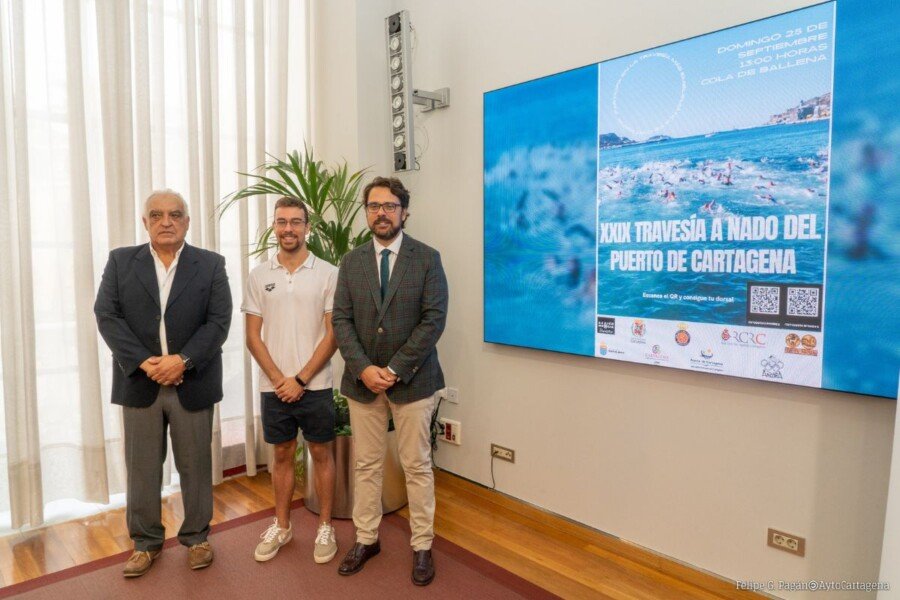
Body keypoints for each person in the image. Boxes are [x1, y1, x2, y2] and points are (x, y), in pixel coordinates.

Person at [94, 190, 232, 577]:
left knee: (195, 466)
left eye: (175, 214)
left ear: (187, 221)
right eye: (157, 215)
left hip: (193, 382)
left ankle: (197, 537)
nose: (166, 221)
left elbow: (218, 322)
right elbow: (107, 315)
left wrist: (183, 361)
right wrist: (143, 361)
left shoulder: (210, 264)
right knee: (141, 470)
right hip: (140, 382)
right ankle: (145, 543)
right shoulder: (121, 262)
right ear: (145, 222)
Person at [332, 176, 449, 586]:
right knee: (366, 465)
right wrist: (364, 368)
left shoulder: (427, 258)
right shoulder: (350, 261)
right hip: (362, 382)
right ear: (366, 212)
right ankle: (366, 538)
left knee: (416, 465)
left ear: (404, 212)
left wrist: (396, 369)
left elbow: (433, 320)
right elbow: (341, 320)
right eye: (374, 206)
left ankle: (422, 546)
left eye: (389, 205)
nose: (381, 212)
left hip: (413, 381)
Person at [241, 197, 339, 564]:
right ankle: (281, 526)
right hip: (274, 387)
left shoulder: (328, 272)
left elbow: (333, 335)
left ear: (307, 227)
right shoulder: (259, 275)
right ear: (274, 226)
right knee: (281, 456)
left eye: (295, 222)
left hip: (315, 385)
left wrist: (300, 378)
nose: (288, 229)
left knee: (321, 454)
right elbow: (253, 336)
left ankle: (325, 526)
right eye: (281, 222)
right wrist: (281, 379)